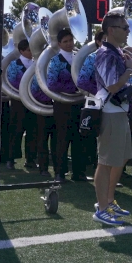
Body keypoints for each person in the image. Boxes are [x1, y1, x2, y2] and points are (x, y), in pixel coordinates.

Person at [92, 10, 132, 225]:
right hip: (110, 112)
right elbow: (113, 84)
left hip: (119, 111)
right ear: (111, 30)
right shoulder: (106, 53)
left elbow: (123, 78)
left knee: (118, 160)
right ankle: (102, 208)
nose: (128, 30)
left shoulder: (116, 52)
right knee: (106, 162)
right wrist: (131, 70)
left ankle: (108, 201)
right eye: (124, 27)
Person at [47, 28, 91, 182]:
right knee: (62, 139)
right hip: (63, 105)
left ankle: (79, 172)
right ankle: (60, 172)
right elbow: (51, 84)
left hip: (79, 103)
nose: (68, 44)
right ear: (59, 44)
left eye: (70, 40)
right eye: (65, 41)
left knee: (80, 138)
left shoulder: (80, 57)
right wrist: (74, 88)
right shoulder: (55, 60)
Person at [6, 39, 37, 169]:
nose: (31, 52)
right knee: (16, 131)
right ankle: (10, 158)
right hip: (18, 102)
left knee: (32, 131)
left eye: (32, 49)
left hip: (34, 102)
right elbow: (12, 82)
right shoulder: (14, 64)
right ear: (21, 51)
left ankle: (30, 159)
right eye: (29, 50)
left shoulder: (37, 63)